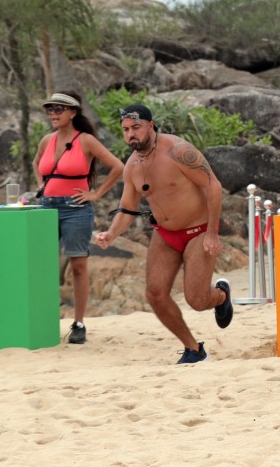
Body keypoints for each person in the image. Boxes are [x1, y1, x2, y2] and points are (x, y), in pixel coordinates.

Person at [94, 104, 233, 364]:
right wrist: (111, 234)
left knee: (196, 299)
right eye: (125, 130)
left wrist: (212, 233)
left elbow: (214, 186)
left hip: (198, 230)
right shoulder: (132, 166)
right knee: (154, 294)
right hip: (166, 234)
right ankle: (193, 349)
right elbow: (127, 208)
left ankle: (221, 295)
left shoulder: (179, 151)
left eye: (136, 127)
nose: (131, 134)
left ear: (150, 125)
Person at [32, 91, 124, 345]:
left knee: (78, 266)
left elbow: (118, 167)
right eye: (50, 109)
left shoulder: (86, 141)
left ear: (73, 113)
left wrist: (96, 193)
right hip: (47, 207)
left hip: (75, 208)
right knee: (41, 264)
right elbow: (36, 162)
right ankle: (41, 319)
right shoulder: (46, 140)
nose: (53, 113)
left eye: (59, 109)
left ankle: (79, 323)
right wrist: (41, 187)